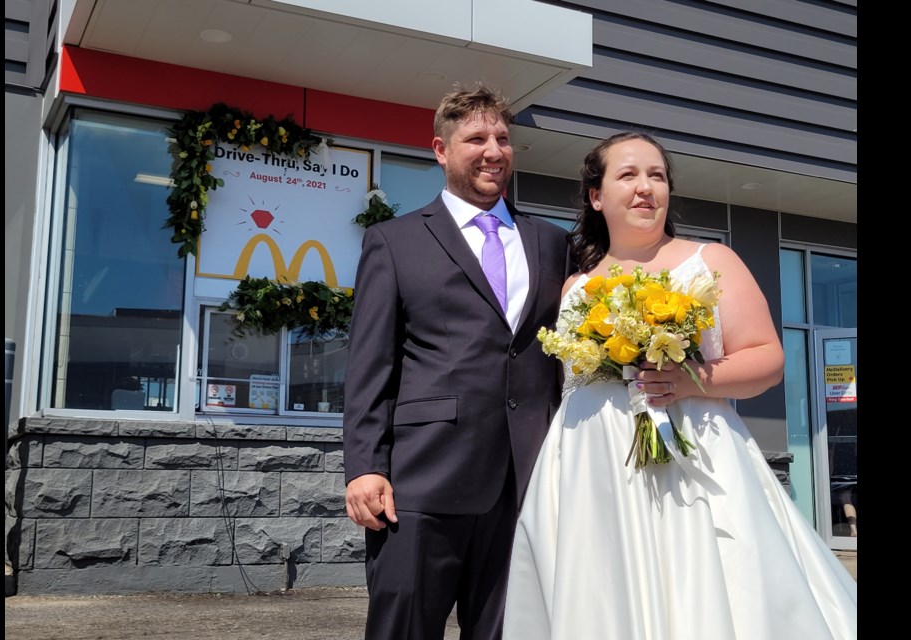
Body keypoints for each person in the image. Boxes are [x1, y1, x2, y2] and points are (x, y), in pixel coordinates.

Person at [503, 131, 857, 639]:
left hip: (692, 458)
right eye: (628, 175)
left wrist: (689, 378)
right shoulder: (575, 287)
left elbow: (769, 359)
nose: (646, 187)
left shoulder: (709, 262)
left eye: (657, 175)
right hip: (590, 467)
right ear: (596, 196)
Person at [342, 83, 571, 639]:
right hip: (422, 481)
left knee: (505, 630)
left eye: (502, 138)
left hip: (526, 479)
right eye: (476, 138)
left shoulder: (552, 244)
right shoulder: (393, 242)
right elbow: (371, 363)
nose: (493, 150)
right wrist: (365, 465)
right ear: (441, 150)